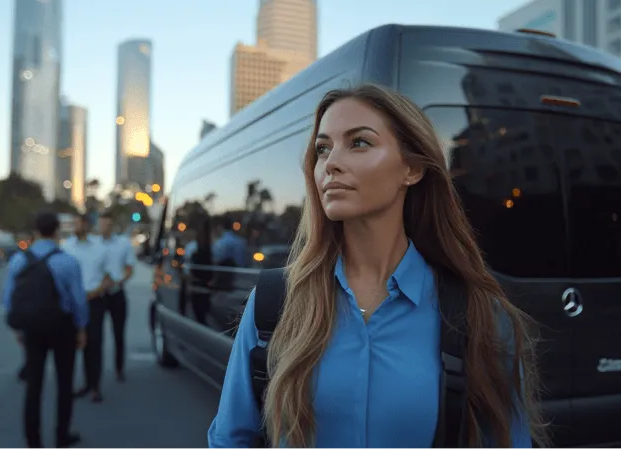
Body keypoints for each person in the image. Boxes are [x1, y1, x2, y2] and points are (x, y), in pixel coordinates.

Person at [207, 84, 549, 449]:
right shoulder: (274, 304)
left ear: (412, 168)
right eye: (323, 148)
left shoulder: (479, 314)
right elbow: (230, 439)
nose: (331, 163)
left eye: (359, 142)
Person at [3, 211, 88, 449]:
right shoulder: (68, 261)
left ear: (36, 231)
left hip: (32, 329)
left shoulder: (19, 261)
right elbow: (78, 300)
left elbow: (9, 299)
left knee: (34, 386)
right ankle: (62, 436)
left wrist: (19, 329)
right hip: (62, 327)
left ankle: (34, 441)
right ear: (57, 230)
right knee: (64, 383)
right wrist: (81, 328)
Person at [63, 212, 111, 403]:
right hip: (72, 303)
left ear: (86, 225)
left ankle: (94, 386)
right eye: (73, 223)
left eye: (77, 223)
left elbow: (108, 276)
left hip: (94, 301)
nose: (75, 227)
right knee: (71, 344)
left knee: (94, 344)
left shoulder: (100, 247)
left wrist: (96, 291)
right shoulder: (66, 247)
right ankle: (71, 385)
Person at [97, 211, 137, 382]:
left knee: (119, 334)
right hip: (98, 294)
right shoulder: (93, 244)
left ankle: (119, 368)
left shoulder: (123, 243)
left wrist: (118, 281)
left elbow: (129, 268)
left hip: (117, 292)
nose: (104, 227)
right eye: (101, 224)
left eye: (107, 224)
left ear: (112, 225)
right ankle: (94, 375)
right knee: (95, 337)